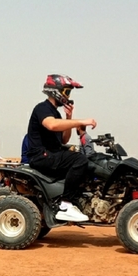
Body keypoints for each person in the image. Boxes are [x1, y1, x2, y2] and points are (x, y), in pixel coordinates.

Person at [25, 74, 97, 222]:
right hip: (41, 156)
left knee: (85, 161)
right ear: (56, 91)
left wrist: (69, 118)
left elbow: (64, 139)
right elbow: (52, 125)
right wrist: (80, 122)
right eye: (67, 92)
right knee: (79, 159)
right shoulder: (42, 108)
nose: (68, 96)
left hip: (51, 154)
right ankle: (66, 205)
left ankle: (77, 200)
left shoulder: (56, 113)